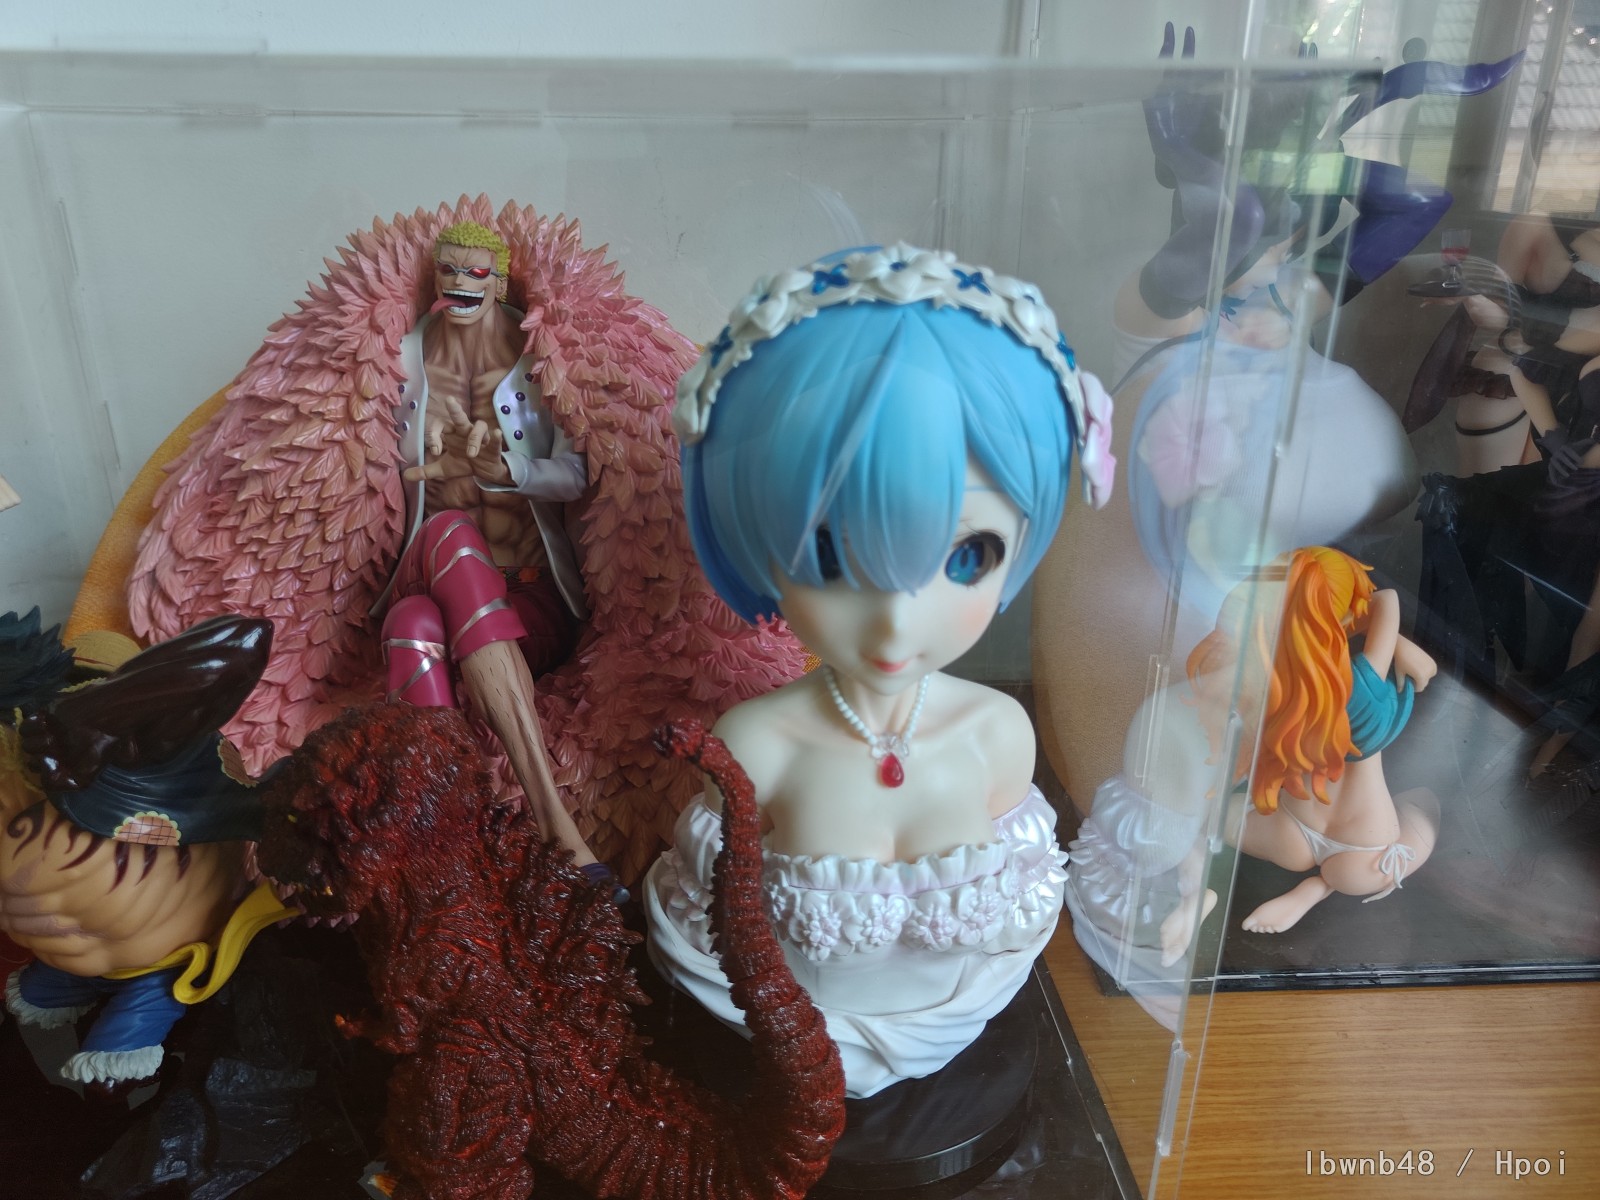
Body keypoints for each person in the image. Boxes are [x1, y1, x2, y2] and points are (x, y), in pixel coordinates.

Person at [643, 243, 1115, 1097]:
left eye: (968, 556)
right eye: (830, 555)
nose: (897, 622)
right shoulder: (753, 747)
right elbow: (704, 938)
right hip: (780, 1081)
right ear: (758, 534)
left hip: (965, 1081)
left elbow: (1021, 926)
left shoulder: (999, 735)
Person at [378, 220, 599, 875]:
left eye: (474, 272)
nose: (458, 282)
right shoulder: (399, 357)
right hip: (428, 560)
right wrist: (425, 463)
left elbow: (578, 474)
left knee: (412, 626)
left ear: (499, 281)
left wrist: (510, 471)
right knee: (451, 530)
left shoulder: (541, 358)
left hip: (528, 593)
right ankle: (554, 821)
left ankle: (449, 854)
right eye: (448, 270)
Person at [1192, 547, 1440, 933]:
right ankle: (1319, 887)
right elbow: (1385, 600)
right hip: (1364, 852)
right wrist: (1397, 643)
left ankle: (1194, 886)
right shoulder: (1360, 684)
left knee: (1207, 816)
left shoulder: (1266, 686)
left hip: (1287, 830)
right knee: (1426, 803)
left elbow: (1312, 628)